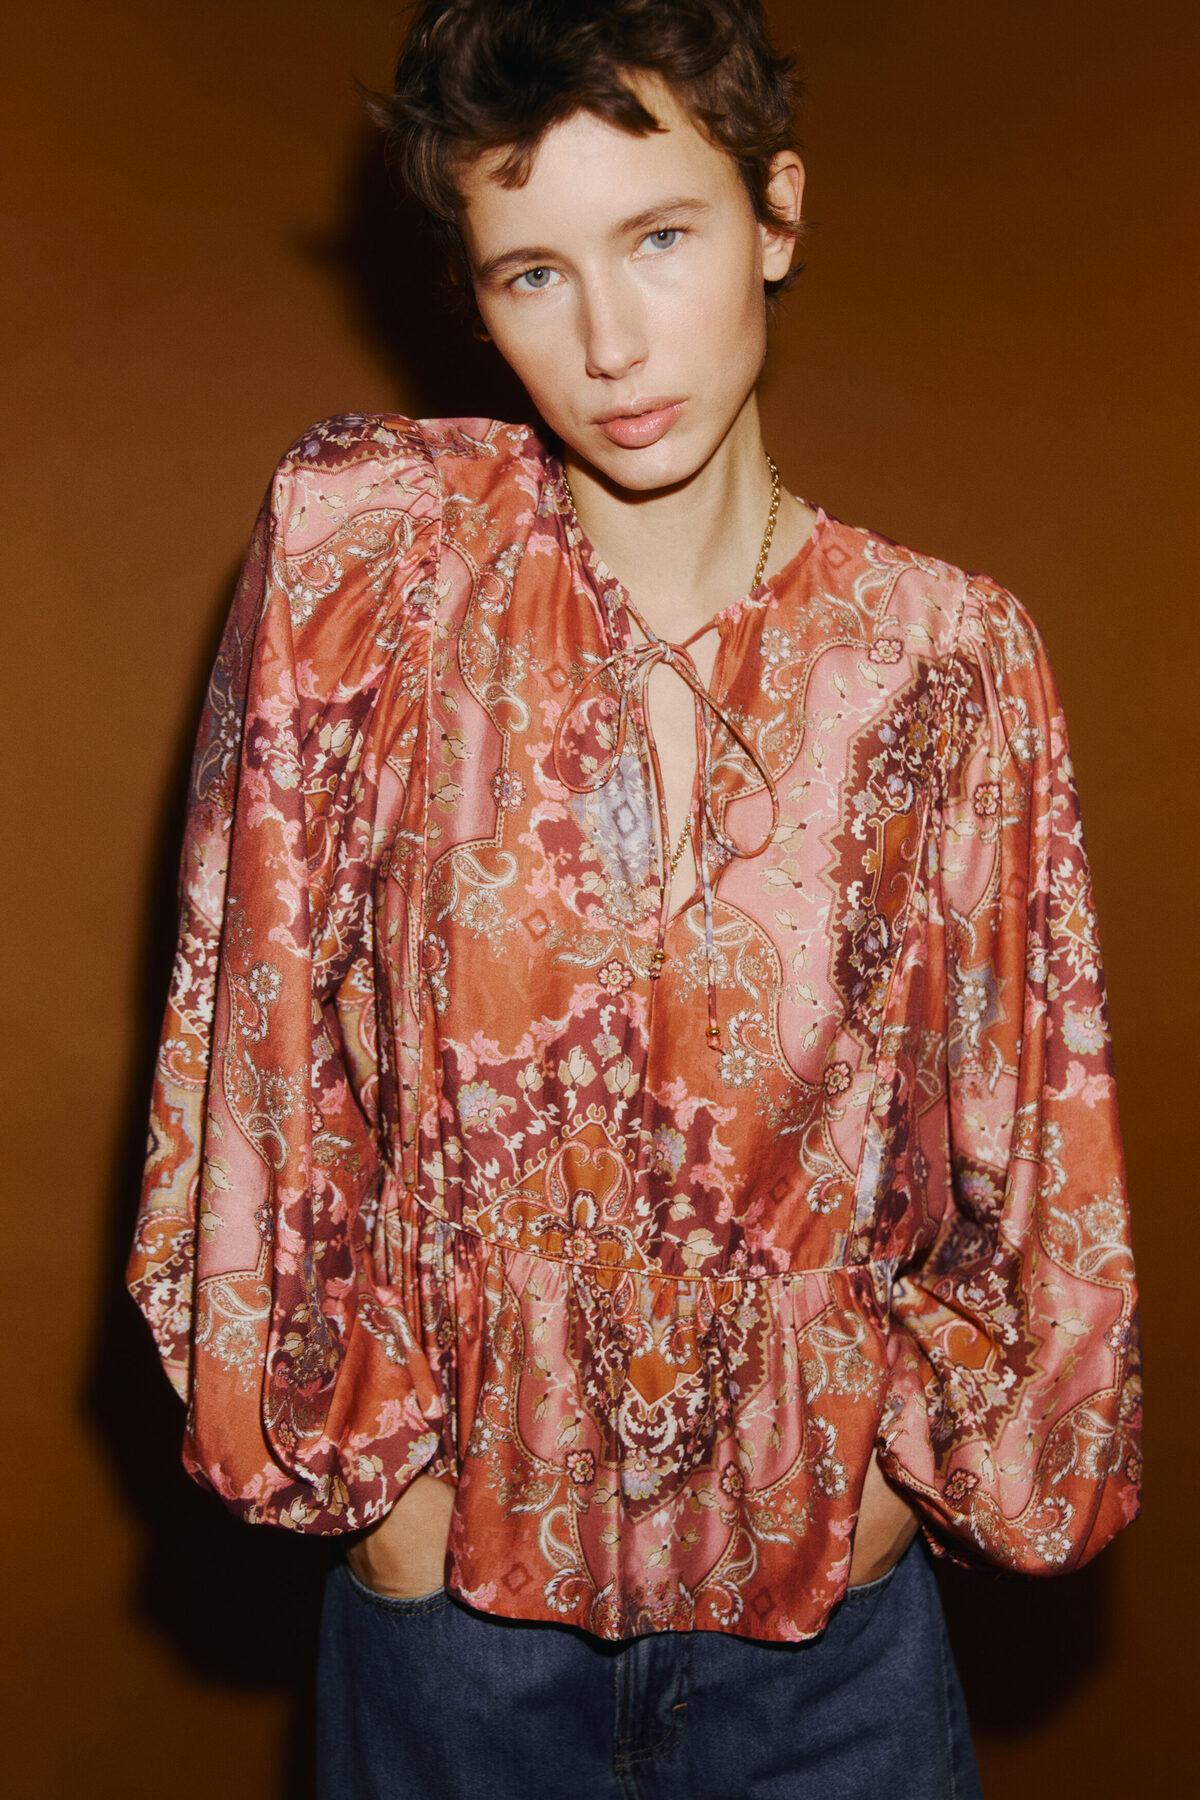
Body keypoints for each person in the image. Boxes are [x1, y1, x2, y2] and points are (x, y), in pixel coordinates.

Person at [128, 2, 1142, 1795]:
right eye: (534, 272)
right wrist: (376, 1494)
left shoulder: (948, 657)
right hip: (457, 1632)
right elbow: (254, 1042)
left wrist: (910, 1479)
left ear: (778, 214)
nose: (607, 342)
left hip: (832, 1641)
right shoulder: (377, 572)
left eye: (660, 236)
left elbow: (1038, 1152)